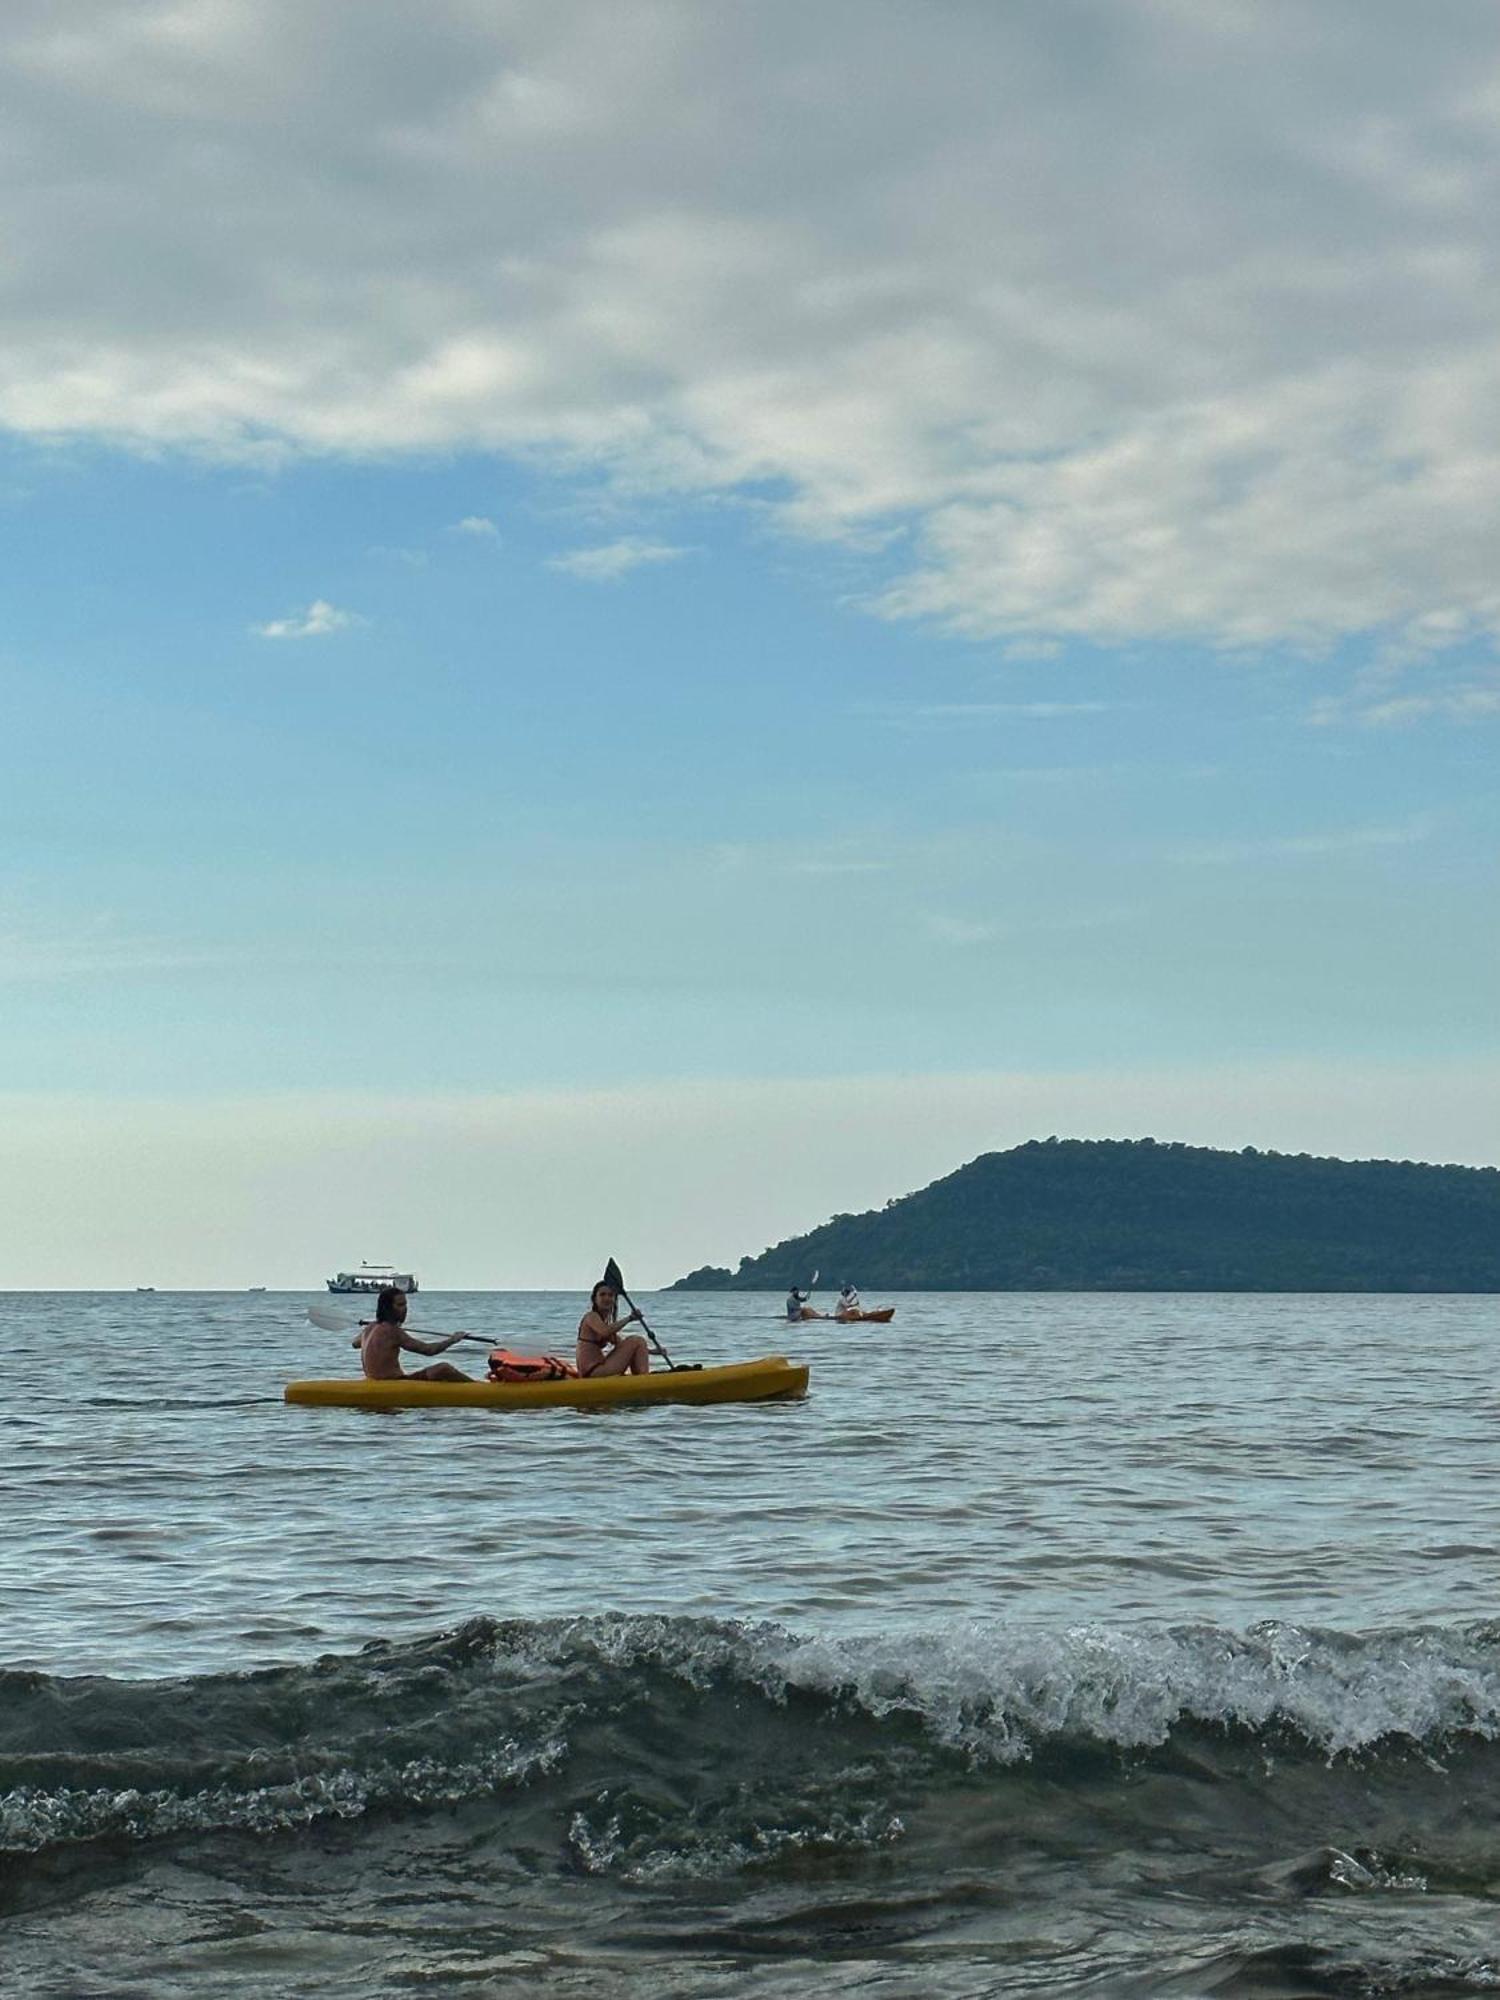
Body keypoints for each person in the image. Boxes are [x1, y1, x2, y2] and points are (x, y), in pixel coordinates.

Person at [353, 1285, 472, 1382]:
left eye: (405, 1304)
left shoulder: (368, 1329)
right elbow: (429, 1350)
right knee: (443, 1369)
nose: (405, 1309)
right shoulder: (393, 1332)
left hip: (374, 1381)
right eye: (400, 1305)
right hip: (394, 1383)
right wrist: (453, 1339)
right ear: (387, 1308)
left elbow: (355, 1343)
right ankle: (477, 1388)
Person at [577, 1279, 650, 1377]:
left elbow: (623, 1345)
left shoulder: (603, 1323)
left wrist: (653, 1352)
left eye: (611, 1295)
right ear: (595, 1299)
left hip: (597, 1369)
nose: (607, 1298)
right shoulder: (591, 1316)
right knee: (637, 1340)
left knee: (639, 1343)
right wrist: (630, 1318)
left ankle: (641, 1378)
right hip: (593, 1371)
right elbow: (605, 1332)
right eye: (602, 1294)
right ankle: (643, 1380)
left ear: (615, 1299)